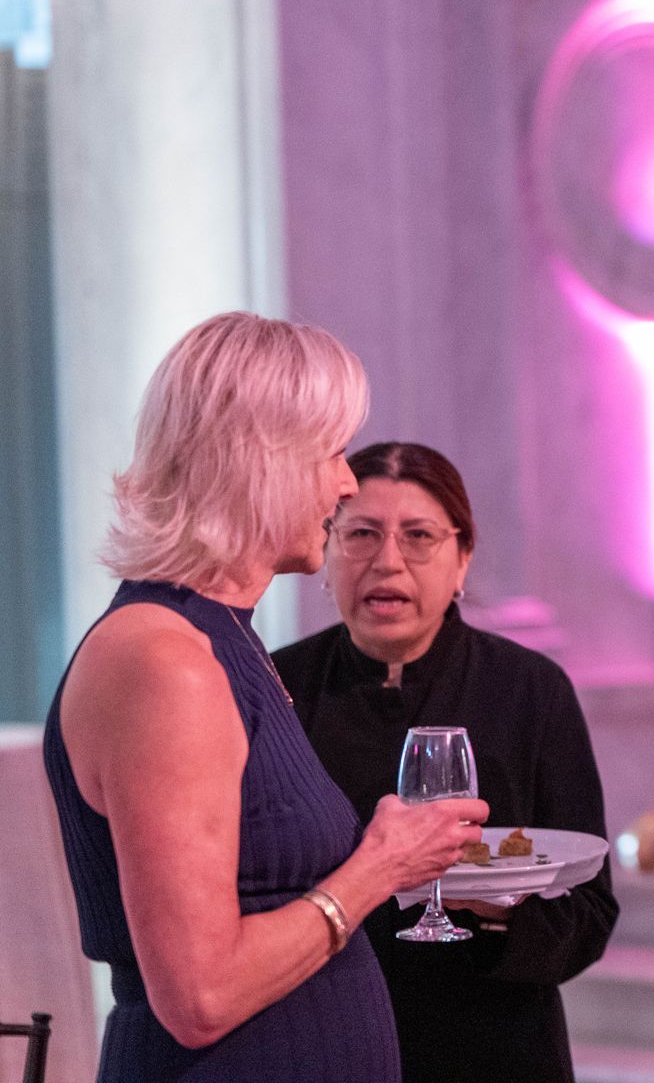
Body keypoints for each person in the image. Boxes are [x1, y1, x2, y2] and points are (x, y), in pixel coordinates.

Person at [41, 312, 488, 1082]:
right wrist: (377, 867)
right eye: (332, 452)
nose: (345, 483)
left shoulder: (221, 638)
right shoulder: (161, 659)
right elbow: (200, 996)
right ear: (261, 461)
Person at [274, 441, 618, 1083]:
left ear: (462, 559)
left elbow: (591, 914)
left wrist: (492, 904)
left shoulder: (530, 690)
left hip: (494, 1050)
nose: (388, 561)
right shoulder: (279, 687)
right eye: (362, 534)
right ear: (325, 552)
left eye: (419, 536)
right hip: (324, 1044)